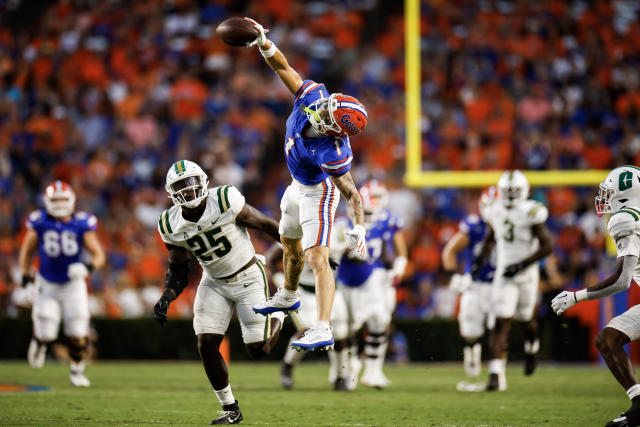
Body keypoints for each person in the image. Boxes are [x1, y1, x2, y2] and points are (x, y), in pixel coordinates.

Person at [245, 18, 369, 351]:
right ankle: (287, 295)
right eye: (328, 105)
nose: (322, 110)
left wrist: (359, 226)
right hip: (295, 185)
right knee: (289, 244)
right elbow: (284, 68)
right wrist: (263, 43)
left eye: (329, 114)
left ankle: (323, 327)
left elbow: (351, 193)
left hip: (319, 192)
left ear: (336, 131)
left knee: (318, 258)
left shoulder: (334, 151)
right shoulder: (313, 97)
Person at [152, 160, 284, 425]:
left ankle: (280, 312)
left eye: (190, 184)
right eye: (181, 187)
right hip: (213, 281)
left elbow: (266, 224)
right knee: (206, 342)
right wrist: (167, 295)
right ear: (171, 192)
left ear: (202, 181)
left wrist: (297, 248)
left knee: (258, 350)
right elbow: (178, 269)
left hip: (248, 275)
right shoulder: (169, 223)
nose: (188, 191)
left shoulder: (224, 199)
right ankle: (230, 408)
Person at [552, 165, 640, 427]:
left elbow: (622, 280)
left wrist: (577, 296)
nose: (604, 197)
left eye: (609, 191)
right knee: (607, 340)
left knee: (607, 340)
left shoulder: (624, 218)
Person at [19, 180, 105, 387]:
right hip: (47, 282)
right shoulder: (39, 221)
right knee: (47, 328)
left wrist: (87, 268)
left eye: (62, 199)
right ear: (47, 201)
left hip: (73, 284)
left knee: (78, 328)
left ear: (71, 200)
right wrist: (25, 277)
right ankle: (39, 342)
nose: (59, 204)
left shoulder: (81, 222)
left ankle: (77, 370)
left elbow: (99, 255)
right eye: (55, 199)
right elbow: (27, 251)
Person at [473, 170, 552, 391]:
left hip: (526, 275)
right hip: (504, 272)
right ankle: (496, 373)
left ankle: (532, 346)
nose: (510, 195)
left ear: (524, 191)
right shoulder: (494, 209)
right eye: (507, 191)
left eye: (514, 191)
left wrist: (522, 264)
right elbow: (491, 237)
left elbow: (548, 246)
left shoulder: (531, 212)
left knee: (526, 319)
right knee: (500, 322)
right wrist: (480, 259)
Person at [336, 180, 407, 389]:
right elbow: (337, 252)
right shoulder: (341, 225)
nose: (366, 217)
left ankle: (374, 371)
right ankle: (349, 368)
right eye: (362, 212)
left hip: (373, 276)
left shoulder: (386, 220)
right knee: (348, 329)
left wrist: (396, 268)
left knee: (378, 319)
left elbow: (393, 250)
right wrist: (350, 248)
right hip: (346, 280)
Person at [268, 245, 352, 391]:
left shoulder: (339, 230)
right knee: (307, 331)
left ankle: (340, 376)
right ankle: (288, 365)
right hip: (305, 290)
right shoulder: (299, 231)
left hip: (332, 289)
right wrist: (281, 281)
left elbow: (349, 253)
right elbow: (272, 258)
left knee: (340, 335)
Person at [441, 187, 497, 391]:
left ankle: (495, 373)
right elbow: (449, 251)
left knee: (498, 329)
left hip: (500, 285)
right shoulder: (475, 226)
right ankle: (472, 371)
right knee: (470, 330)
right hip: (475, 285)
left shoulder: (512, 228)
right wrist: (453, 277)